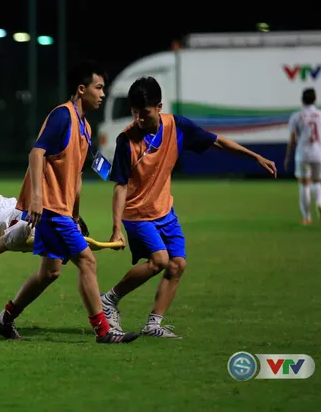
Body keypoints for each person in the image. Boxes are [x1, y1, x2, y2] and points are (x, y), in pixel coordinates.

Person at [102, 76, 277, 338]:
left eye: (145, 113)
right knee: (159, 261)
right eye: (135, 113)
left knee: (177, 265)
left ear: (159, 107)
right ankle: (109, 301)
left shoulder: (177, 127)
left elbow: (217, 141)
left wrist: (255, 157)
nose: (139, 119)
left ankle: (153, 324)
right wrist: (116, 228)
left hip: (164, 211)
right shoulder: (126, 140)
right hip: (137, 214)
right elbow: (120, 186)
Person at [0, 60, 140, 344]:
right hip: (50, 209)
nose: (102, 93)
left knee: (50, 272)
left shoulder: (85, 127)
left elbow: (76, 177)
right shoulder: (62, 116)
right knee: (87, 261)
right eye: (98, 88)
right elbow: (36, 154)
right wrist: (36, 199)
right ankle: (104, 331)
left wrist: (76, 215)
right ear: (82, 90)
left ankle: (3, 320)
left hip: (62, 211)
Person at [284, 87, 321, 225]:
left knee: (304, 185)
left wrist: (288, 156)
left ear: (302, 100)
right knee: (317, 182)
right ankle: (320, 203)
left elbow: (292, 139)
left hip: (303, 153)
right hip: (318, 153)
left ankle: (307, 217)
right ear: (315, 99)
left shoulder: (297, 116)